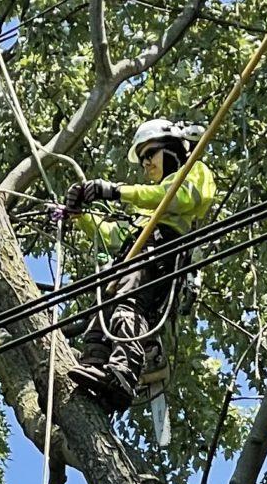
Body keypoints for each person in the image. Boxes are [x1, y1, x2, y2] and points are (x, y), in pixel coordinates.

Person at [57, 116, 216, 409]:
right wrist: (79, 215)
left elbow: (178, 198)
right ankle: (95, 364)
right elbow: (112, 235)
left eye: (150, 153)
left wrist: (116, 191)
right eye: (142, 158)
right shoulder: (146, 210)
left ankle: (123, 371)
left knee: (127, 304)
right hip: (133, 256)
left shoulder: (193, 173)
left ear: (172, 149)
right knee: (103, 310)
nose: (146, 163)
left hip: (159, 253)